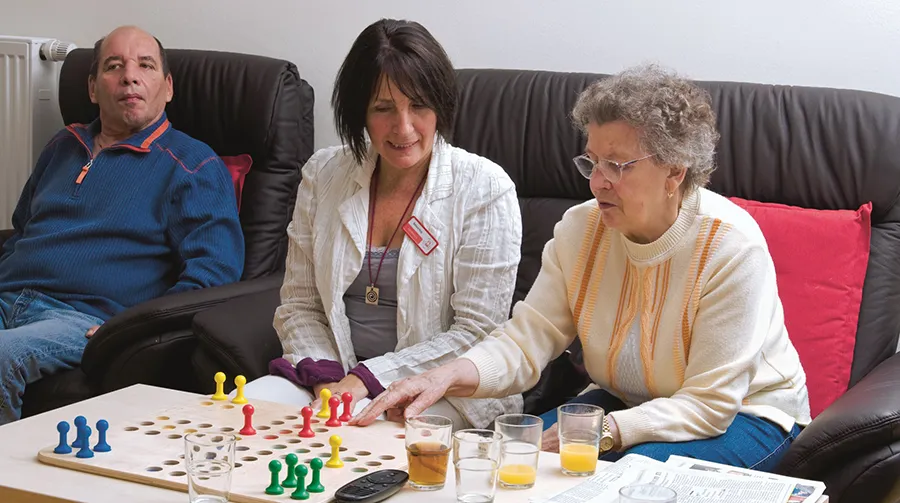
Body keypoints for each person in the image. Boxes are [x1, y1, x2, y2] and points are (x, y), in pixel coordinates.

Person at [353, 64, 812, 472]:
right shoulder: (581, 228)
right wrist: (447, 374)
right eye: (592, 161)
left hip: (747, 416)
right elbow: (526, 340)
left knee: (621, 482)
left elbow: (710, 404)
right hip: (628, 403)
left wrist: (607, 431)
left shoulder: (730, 245)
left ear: (675, 171)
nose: (597, 182)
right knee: (500, 455)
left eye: (617, 165)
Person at [239, 19, 523, 431]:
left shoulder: (485, 188)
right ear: (360, 114)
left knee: (358, 452)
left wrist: (367, 380)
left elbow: (478, 332)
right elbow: (300, 303)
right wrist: (327, 379)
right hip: (331, 380)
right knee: (240, 420)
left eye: (419, 106)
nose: (403, 127)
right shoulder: (323, 174)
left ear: (441, 106)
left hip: (441, 393)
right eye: (383, 108)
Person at [0, 26, 244, 424]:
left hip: (81, 320)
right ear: (93, 88)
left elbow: (215, 274)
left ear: (167, 87)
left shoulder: (193, 165)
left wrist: (130, 329)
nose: (130, 76)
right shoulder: (63, 145)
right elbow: (21, 230)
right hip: (9, 299)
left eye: (145, 66)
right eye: (115, 66)